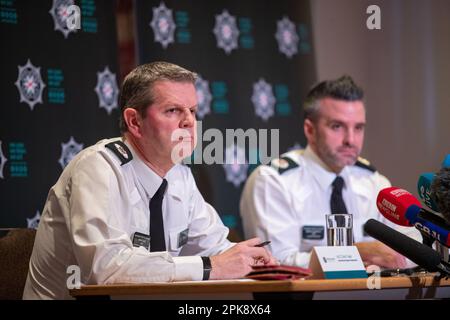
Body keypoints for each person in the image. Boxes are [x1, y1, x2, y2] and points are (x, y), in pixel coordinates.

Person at [23, 62, 276, 300]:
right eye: (173, 110)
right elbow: (104, 269)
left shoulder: (180, 175)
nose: (189, 121)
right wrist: (210, 266)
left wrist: (249, 260)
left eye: (193, 110)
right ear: (135, 121)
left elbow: (217, 248)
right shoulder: (97, 167)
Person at [240, 75, 418, 270]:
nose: (350, 139)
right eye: (337, 126)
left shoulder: (374, 182)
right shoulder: (272, 181)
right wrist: (354, 254)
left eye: (358, 128)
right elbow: (275, 263)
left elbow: (413, 250)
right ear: (310, 130)